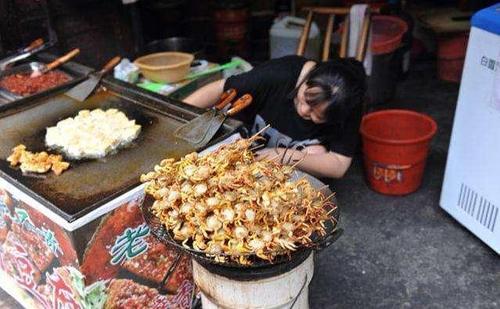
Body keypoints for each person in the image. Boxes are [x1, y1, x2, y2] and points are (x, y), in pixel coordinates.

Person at [184, 55, 367, 179]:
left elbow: (338, 165)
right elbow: (220, 89)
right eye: (305, 99)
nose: (304, 111)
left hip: (290, 160)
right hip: (242, 142)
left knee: (317, 153)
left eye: (317, 116)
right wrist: (174, 114)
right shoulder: (281, 73)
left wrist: (282, 156)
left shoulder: (346, 104)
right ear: (309, 78)